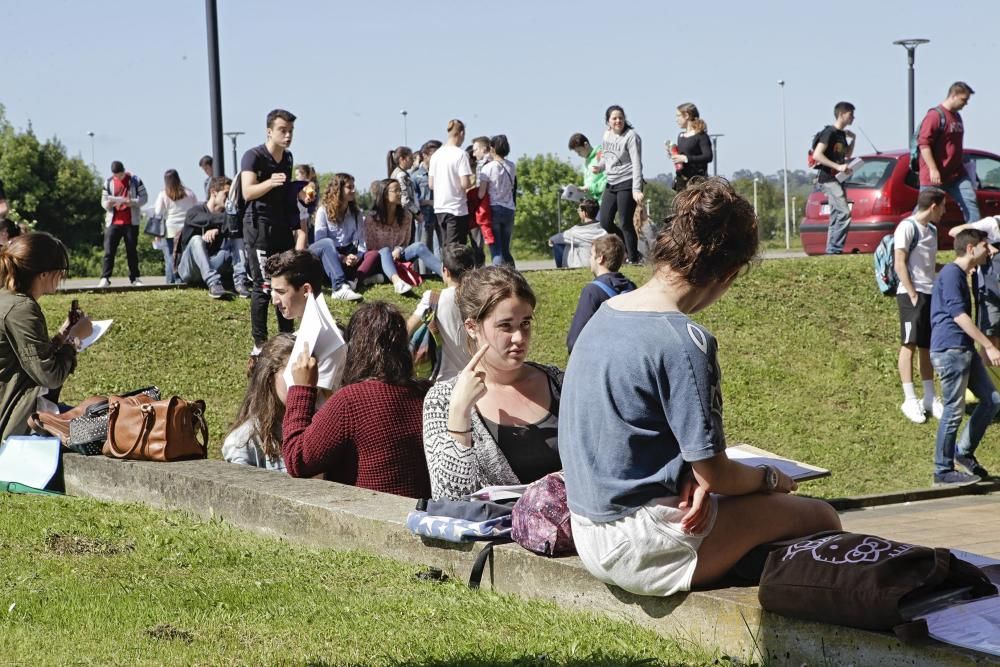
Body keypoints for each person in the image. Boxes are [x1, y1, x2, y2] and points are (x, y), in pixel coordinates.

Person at [560, 178, 841, 598]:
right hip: (641, 545)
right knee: (822, 518)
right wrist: (770, 479)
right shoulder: (683, 340)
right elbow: (718, 472)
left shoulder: (605, 314)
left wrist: (695, 474)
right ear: (728, 273)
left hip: (587, 528)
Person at [423, 266, 564, 500]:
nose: (519, 337)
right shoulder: (443, 400)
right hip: (499, 536)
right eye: (505, 326)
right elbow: (449, 499)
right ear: (472, 327)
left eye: (525, 323)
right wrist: (460, 412)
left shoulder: (558, 382)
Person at [283, 302, 433, 498]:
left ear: (355, 348)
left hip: (367, 520)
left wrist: (302, 389)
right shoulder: (427, 394)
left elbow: (298, 459)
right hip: (420, 518)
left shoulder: (350, 402)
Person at [0, 232, 93, 441]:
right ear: (43, 274)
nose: (62, 277)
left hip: (14, 411)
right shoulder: (21, 309)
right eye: (60, 271)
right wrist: (74, 339)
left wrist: (63, 334)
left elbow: (28, 359)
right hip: (15, 423)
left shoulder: (8, 299)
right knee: (101, 425)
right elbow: (50, 376)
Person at [929, 228, 1000, 486]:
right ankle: (942, 469)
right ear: (971, 248)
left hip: (963, 349)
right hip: (951, 350)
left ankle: (963, 452)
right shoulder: (950, 274)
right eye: (985, 246)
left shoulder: (960, 274)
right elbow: (959, 316)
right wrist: (988, 346)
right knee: (953, 411)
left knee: (992, 401)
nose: (989, 251)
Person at [241, 109, 306, 353]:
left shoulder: (287, 158)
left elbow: (285, 194)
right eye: (283, 130)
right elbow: (247, 192)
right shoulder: (253, 156)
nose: (288, 135)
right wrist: (270, 182)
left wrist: (298, 194)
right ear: (270, 131)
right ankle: (259, 344)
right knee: (264, 285)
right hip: (258, 226)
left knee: (285, 281)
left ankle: (286, 337)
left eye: (291, 131)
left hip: (280, 226)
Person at [895, 188, 946, 424]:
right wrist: (913, 293)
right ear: (933, 206)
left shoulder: (932, 230)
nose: (944, 212)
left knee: (927, 346)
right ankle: (909, 398)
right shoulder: (907, 227)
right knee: (909, 344)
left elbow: (928, 263)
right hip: (910, 295)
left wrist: (949, 269)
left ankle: (929, 397)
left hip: (930, 292)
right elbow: (900, 263)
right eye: (943, 207)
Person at [222, 333, 294, 471]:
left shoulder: (314, 426)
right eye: (292, 375)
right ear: (269, 377)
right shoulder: (244, 442)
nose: (302, 383)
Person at [406, 243, 476, 382]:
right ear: (472, 269)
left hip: (443, 380)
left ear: (445, 271)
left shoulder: (433, 298)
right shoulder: (481, 298)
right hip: (476, 377)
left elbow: (408, 329)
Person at [173, 176, 250, 299]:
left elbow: (236, 225)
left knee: (236, 237)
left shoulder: (226, 216)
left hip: (213, 264)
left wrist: (218, 230)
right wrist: (222, 223)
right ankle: (213, 284)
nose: (229, 198)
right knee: (196, 240)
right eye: (226, 193)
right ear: (213, 192)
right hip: (189, 269)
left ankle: (241, 282)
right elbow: (207, 219)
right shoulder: (194, 212)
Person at [364, 179, 443, 295]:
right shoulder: (371, 219)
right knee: (385, 251)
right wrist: (390, 254)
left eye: (400, 190)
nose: (400, 193)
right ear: (385, 194)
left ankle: (446, 275)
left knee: (419, 246)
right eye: (396, 191)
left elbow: (405, 243)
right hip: (380, 259)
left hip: (399, 257)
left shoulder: (406, 216)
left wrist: (399, 249)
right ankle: (397, 283)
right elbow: (371, 249)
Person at [918, 82, 979, 223]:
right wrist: (933, 169)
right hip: (934, 177)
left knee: (970, 202)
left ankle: (973, 240)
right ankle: (902, 240)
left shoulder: (957, 117)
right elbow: (924, 144)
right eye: (964, 99)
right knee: (924, 212)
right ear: (953, 95)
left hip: (956, 174)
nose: (966, 103)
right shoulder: (935, 116)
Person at [592, 105, 644, 265]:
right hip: (611, 181)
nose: (618, 121)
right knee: (605, 221)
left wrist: (636, 189)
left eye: (620, 117)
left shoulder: (631, 136)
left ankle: (633, 259)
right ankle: (629, 250)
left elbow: (637, 163)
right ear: (608, 121)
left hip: (627, 181)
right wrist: (599, 167)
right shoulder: (607, 135)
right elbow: (607, 157)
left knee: (625, 222)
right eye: (614, 118)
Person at [565, 234, 636, 353]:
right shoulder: (631, 287)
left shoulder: (592, 291)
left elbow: (574, 341)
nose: (590, 259)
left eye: (592, 255)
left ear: (600, 258)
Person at [811, 102, 856, 255]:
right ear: (842, 114)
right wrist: (837, 167)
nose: (853, 118)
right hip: (827, 178)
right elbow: (817, 155)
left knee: (837, 214)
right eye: (851, 114)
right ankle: (835, 249)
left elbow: (847, 155)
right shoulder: (829, 132)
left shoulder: (841, 135)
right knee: (844, 213)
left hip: (838, 179)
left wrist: (853, 139)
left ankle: (831, 250)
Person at [312, 173, 365, 301]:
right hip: (328, 255)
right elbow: (320, 243)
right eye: (349, 187)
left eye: (353, 186)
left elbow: (361, 242)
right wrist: (341, 257)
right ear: (338, 189)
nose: (353, 190)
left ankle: (355, 279)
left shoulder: (356, 213)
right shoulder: (323, 211)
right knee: (327, 242)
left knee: (372, 255)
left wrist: (356, 257)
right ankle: (339, 287)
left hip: (348, 254)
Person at [98, 160, 147, 288]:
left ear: (124, 171)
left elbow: (144, 197)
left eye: (120, 175)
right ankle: (105, 278)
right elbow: (103, 201)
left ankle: (135, 277)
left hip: (131, 221)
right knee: (109, 251)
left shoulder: (135, 180)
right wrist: (108, 204)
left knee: (131, 250)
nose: (118, 177)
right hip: (113, 221)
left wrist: (132, 202)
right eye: (116, 175)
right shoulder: (108, 182)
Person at [429, 119, 474, 247]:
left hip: (440, 208)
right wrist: (472, 180)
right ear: (461, 133)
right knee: (456, 249)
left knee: (445, 247)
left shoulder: (436, 155)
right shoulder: (461, 154)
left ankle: (445, 267)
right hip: (456, 208)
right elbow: (465, 183)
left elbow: (431, 184)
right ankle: (453, 268)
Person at [152, 169, 198, 285]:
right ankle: (183, 280)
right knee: (183, 257)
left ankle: (171, 282)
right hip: (187, 230)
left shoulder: (163, 194)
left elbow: (158, 213)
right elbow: (196, 209)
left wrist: (157, 234)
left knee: (170, 258)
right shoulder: (190, 193)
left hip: (170, 230)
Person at [478, 134, 517, 266]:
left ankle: (498, 277)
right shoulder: (512, 166)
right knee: (506, 250)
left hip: (494, 209)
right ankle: (513, 275)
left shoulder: (487, 168)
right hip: (509, 209)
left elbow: (481, 194)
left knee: (496, 250)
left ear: (492, 149)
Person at [549, 198, 606, 269]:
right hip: (600, 264)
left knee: (558, 244)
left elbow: (554, 239)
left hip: (582, 265)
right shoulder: (603, 229)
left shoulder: (576, 232)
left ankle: (561, 269)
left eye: (579, 210)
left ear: (584, 213)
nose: (578, 212)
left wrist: (550, 241)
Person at [668, 103, 713, 191]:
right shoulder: (681, 136)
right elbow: (681, 155)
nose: (676, 120)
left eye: (678, 116)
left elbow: (708, 156)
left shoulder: (701, 136)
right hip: (681, 180)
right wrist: (672, 152)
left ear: (687, 116)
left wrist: (686, 158)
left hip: (697, 182)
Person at [412, 140, 442, 255]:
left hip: (440, 215)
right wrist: (428, 202)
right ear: (424, 155)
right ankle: (425, 274)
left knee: (443, 247)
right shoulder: (416, 176)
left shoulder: (442, 173)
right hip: (424, 217)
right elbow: (411, 200)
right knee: (425, 249)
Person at [568, 133, 607, 202]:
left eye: (579, 151)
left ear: (586, 145)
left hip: (604, 201)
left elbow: (607, 180)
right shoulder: (586, 161)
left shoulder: (600, 155)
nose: (578, 155)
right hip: (592, 202)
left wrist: (590, 188)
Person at [387, 146, 421, 222]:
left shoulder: (401, 173)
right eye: (411, 158)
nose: (412, 161)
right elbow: (405, 200)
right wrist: (417, 213)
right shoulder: (401, 175)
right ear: (402, 159)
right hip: (404, 216)